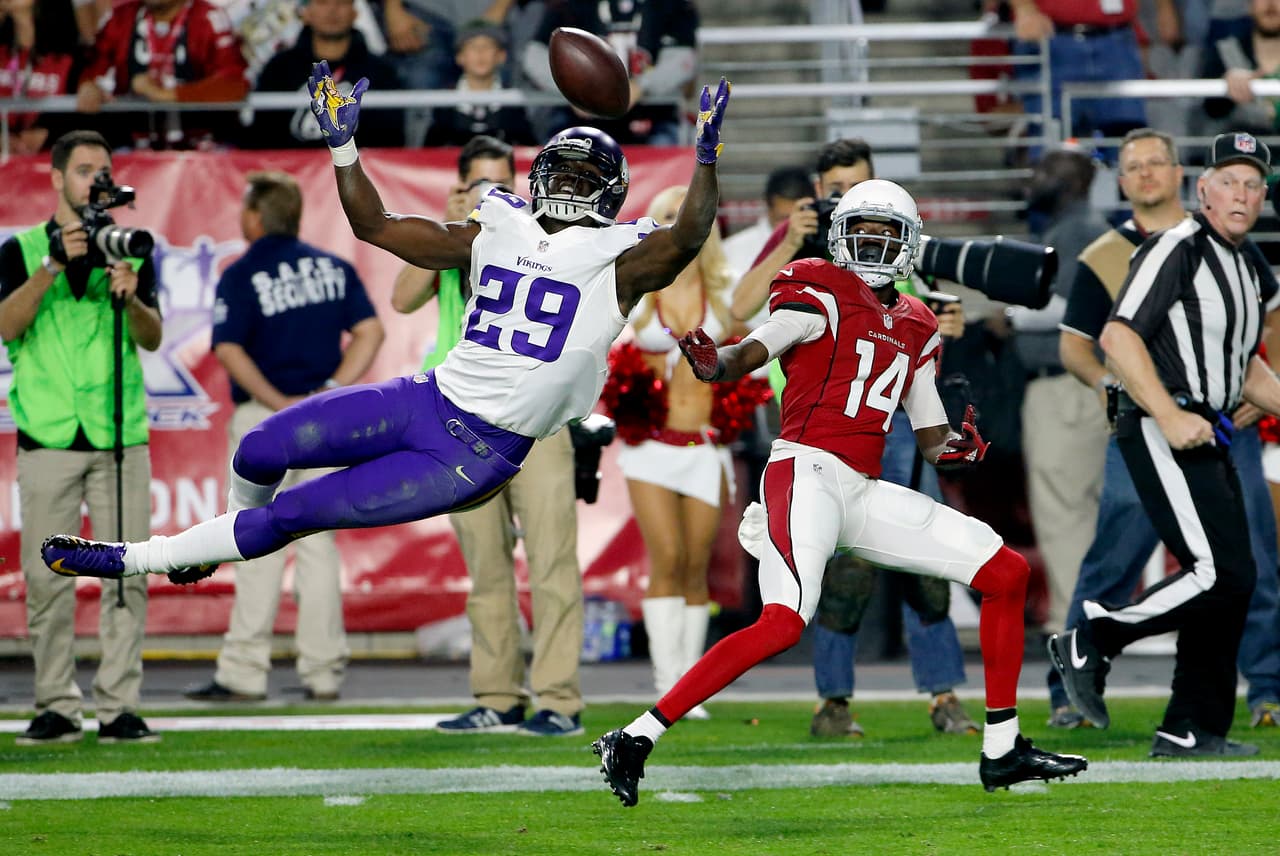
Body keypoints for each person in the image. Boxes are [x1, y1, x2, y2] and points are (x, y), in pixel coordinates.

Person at [39, 65, 731, 614]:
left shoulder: (622, 259)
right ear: (540, 173)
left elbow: (689, 235)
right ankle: (213, 543)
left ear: (612, 193)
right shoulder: (498, 225)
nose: (572, 185)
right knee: (260, 448)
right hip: (427, 398)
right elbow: (375, 225)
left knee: (298, 511)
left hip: (476, 453)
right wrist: (343, 147)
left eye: (586, 177)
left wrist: (704, 159)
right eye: (565, 170)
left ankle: (134, 558)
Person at [592, 179, 1088, 807]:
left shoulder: (919, 322)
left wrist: (958, 448)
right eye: (863, 233)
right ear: (839, 238)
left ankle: (1002, 749)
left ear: (908, 245)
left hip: (862, 488)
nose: (873, 246)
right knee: (782, 623)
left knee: (1007, 573)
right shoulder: (818, 287)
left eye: (887, 235)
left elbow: (930, 435)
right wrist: (721, 363)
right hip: (806, 473)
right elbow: (759, 346)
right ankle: (634, 737)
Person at [732, 137, 978, 739]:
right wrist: (791, 237)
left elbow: (921, 327)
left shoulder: (898, 239)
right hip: (819, 424)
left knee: (927, 560)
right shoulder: (803, 243)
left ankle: (944, 693)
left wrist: (950, 325)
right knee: (839, 570)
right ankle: (833, 699)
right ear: (821, 191)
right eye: (839, 189)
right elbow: (739, 306)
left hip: (897, 419)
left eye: (860, 183)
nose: (854, 200)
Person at [1049, 131, 1280, 757]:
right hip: (1161, 424)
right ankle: (1093, 638)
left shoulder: (1246, 265)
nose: (1241, 194)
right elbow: (1118, 338)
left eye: (1253, 184)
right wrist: (1170, 415)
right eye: (1228, 182)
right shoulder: (1176, 245)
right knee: (1218, 572)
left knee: (1235, 579)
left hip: (1208, 428)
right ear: (1202, 189)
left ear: (1263, 196)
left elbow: (1244, 368)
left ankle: (1190, 726)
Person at [391, 135, 586, 737]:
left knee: (553, 560)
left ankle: (558, 699)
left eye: (501, 182)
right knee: (487, 568)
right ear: (459, 186)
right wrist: (452, 222)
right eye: (479, 183)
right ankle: (498, 696)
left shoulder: (541, 234)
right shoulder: (458, 238)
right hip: (461, 418)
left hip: (537, 414)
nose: (490, 193)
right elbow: (402, 299)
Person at [182, 171, 384, 704]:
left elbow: (229, 348)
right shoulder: (332, 267)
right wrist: (329, 392)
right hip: (324, 423)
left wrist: (278, 404)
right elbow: (371, 332)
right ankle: (323, 672)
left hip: (263, 422)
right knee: (319, 544)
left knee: (253, 541)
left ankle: (244, 672)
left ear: (254, 217)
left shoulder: (242, 273)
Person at [0, 129, 164, 744]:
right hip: (47, 437)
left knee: (129, 574)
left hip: (119, 435)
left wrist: (133, 298)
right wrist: (50, 266)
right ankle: (56, 704)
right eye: (83, 169)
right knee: (48, 580)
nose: (95, 180)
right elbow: (5, 325)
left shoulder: (130, 250)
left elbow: (152, 336)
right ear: (56, 177)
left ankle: (119, 706)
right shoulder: (20, 249)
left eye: (104, 170)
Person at [601, 184, 768, 721]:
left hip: (704, 447)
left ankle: (687, 688)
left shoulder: (724, 291)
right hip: (649, 447)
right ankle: (663, 681)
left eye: (685, 213)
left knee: (696, 566)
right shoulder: (636, 288)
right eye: (667, 215)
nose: (678, 221)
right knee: (667, 557)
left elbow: (754, 354)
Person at [1008, 145, 1110, 639]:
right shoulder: (1075, 227)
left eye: (1047, 170)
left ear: (1074, 181)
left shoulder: (1076, 230)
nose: (1034, 177)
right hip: (1077, 388)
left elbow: (1071, 309)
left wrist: (1007, 315)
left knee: (1064, 511)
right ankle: (1088, 618)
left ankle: (1073, 625)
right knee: (1079, 509)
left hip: (1065, 387)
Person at [74, 0, 250, 150]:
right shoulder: (120, 18)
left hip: (203, 155)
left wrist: (163, 94)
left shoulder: (208, 17)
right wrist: (89, 86)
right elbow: (93, 70)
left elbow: (234, 85)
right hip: (134, 154)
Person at [521, 0, 698, 144]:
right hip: (579, 121)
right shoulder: (570, 5)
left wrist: (642, 85)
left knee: (664, 148)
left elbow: (684, 60)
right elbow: (534, 56)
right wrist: (571, 88)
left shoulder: (672, 5)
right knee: (561, 153)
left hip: (652, 117)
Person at [250, 0, 404, 148]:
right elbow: (263, 135)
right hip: (290, 166)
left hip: (361, 165)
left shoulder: (380, 72)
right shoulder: (279, 69)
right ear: (306, 13)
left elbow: (389, 138)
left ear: (355, 13)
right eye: (322, 2)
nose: (332, 10)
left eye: (342, 3)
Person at [422, 19, 537, 147]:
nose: (480, 53)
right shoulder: (444, 103)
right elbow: (429, 152)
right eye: (472, 46)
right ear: (459, 57)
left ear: (501, 56)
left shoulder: (513, 104)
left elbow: (529, 150)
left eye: (488, 46)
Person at [0, 0, 82, 155]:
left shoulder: (71, 57)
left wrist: (49, 133)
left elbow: (85, 114)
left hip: (51, 160)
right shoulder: (3, 49)